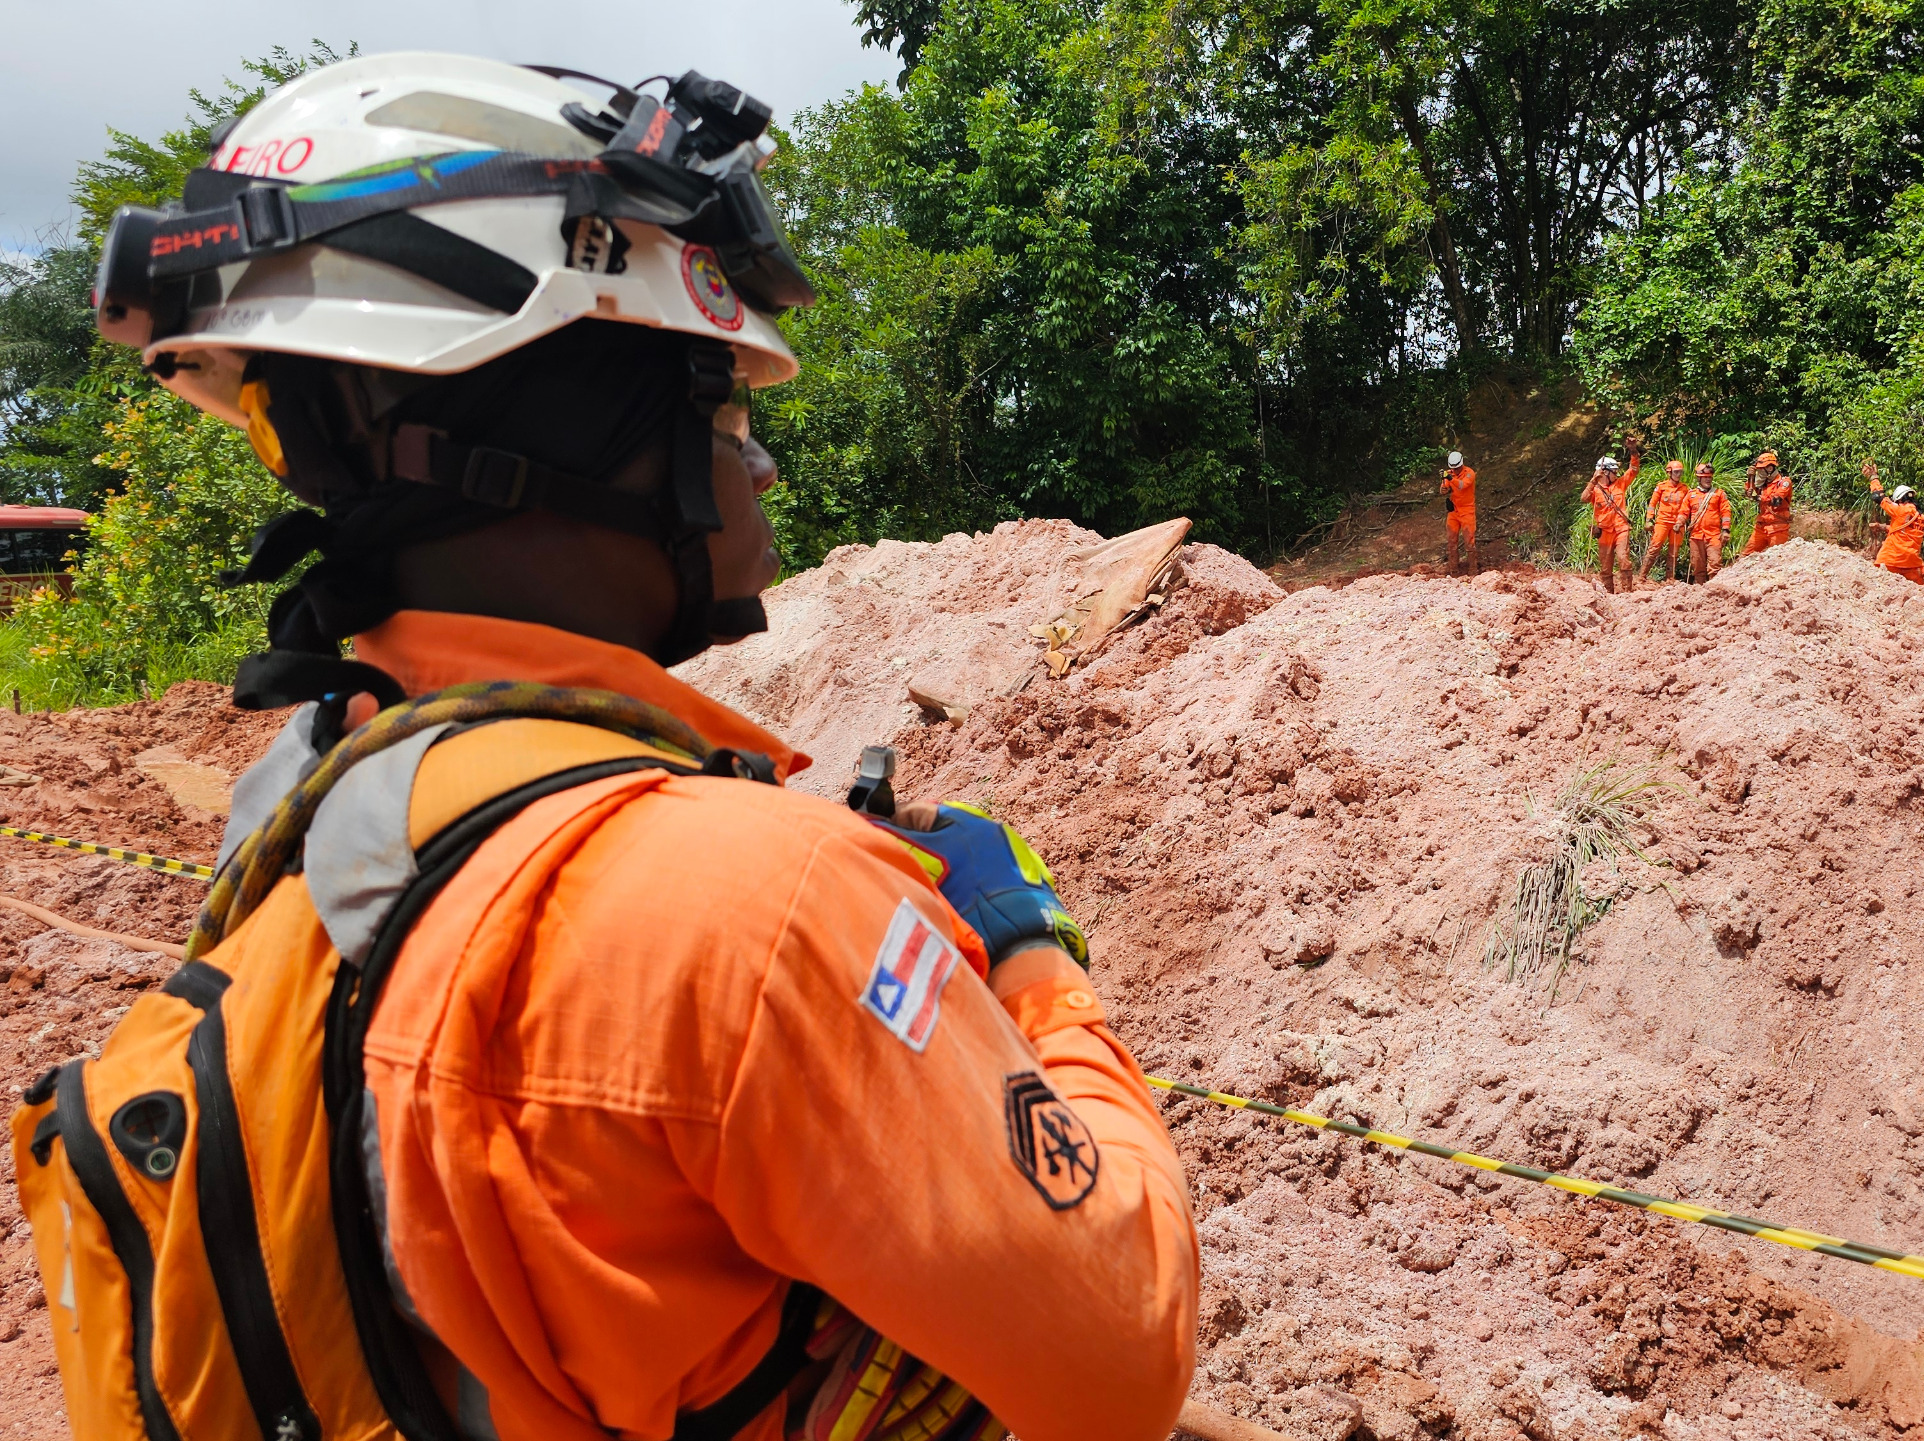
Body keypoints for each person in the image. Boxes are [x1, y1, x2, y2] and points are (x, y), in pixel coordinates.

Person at [54, 53, 1196, 1441]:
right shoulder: (755, 909)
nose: (756, 461)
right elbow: (1122, 1355)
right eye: (715, 404)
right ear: (558, 423)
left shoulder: (316, 804)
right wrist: (1026, 954)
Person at [1583, 455, 1637, 592]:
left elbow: (1633, 471)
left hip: (1621, 529)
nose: (1616, 474)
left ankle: (1627, 592)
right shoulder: (1595, 489)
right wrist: (1593, 481)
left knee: (1623, 558)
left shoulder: (1620, 484)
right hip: (1604, 532)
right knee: (1606, 567)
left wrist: (1634, 453)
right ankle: (1609, 594)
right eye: (1614, 472)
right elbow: (1583, 498)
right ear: (1605, 472)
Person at [1868, 463, 1924, 583]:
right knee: (1922, 592)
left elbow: (1877, 496)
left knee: (1879, 585)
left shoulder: (1900, 510)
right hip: (1912, 564)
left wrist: (1873, 477)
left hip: (1891, 561)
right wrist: (1882, 526)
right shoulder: (1922, 518)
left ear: (1899, 500)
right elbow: (1904, 532)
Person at [1641, 458, 1697, 583]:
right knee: (1654, 547)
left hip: (1678, 523)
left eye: (1680, 472)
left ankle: (1669, 577)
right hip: (1663, 521)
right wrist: (1649, 519)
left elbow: (1689, 506)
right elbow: (1652, 504)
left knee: (1674, 551)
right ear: (1669, 472)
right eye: (1676, 472)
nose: (1678, 475)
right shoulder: (1661, 487)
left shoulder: (1685, 489)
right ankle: (1642, 576)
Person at [1744, 451, 1793, 554]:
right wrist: (1750, 479)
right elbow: (1750, 492)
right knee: (1746, 555)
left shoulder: (1784, 482)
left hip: (1778, 527)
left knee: (1776, 557)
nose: (1759, 472)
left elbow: (1776, 500)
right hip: (1761, 527)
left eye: (1761, 469)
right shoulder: (1763, 483)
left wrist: (1759, 498)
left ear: (1770, 468)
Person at [1692, 463, 1734, 579]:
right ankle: (1698, 591)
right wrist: (1679, 523)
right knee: (1697, 566)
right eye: (1705, 477)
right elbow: (1683, 512)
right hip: (1696, 536)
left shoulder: (1718, 494)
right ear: (1699, 478)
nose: (1708, 479)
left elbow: (1726, 511)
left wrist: (1725, 529)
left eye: (1710, 477)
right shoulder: (1691, 495)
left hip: (1713, 535)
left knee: (1715, 565)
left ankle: (1714, 590)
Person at [1440, 450, 1479, 575]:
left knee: (1469, 541)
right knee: (1451, 541)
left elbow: (1462, 485)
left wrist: (1450, 478)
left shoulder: (1469, 473)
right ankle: (1453, 570)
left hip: (1467, 511)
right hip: (1454, 512)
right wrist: (1444, 487)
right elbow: (1444, 489)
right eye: (1453, 469)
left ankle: (1473, 569)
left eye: (1456, 468)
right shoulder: (1449, 474)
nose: (1454, 471)